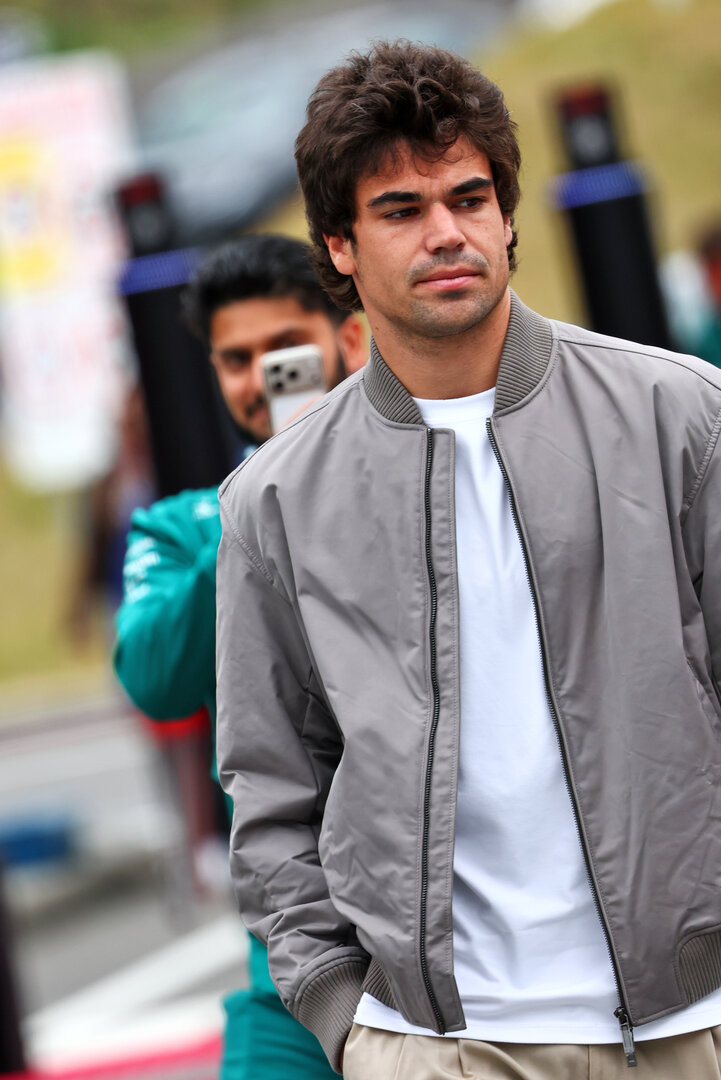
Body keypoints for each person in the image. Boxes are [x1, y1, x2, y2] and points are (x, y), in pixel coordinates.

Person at [215, 42, 721, 1080]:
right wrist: (344, 1014)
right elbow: (271, 784)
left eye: (468, 198)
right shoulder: (276, 498)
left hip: (694, 1022)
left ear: (506, 216)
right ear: (339, 246)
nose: (445, 232)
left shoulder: (679, 415)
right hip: (435, 1045)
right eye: (400, 210)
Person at [113, 234, 365, 1080]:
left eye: (285, 349)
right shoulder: (186, 526)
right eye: (234, 359)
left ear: (349, 338)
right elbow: (153, 679)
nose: (261, 377)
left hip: (466, 948)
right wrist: (259, 502)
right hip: (290, 965)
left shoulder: (425, 483)